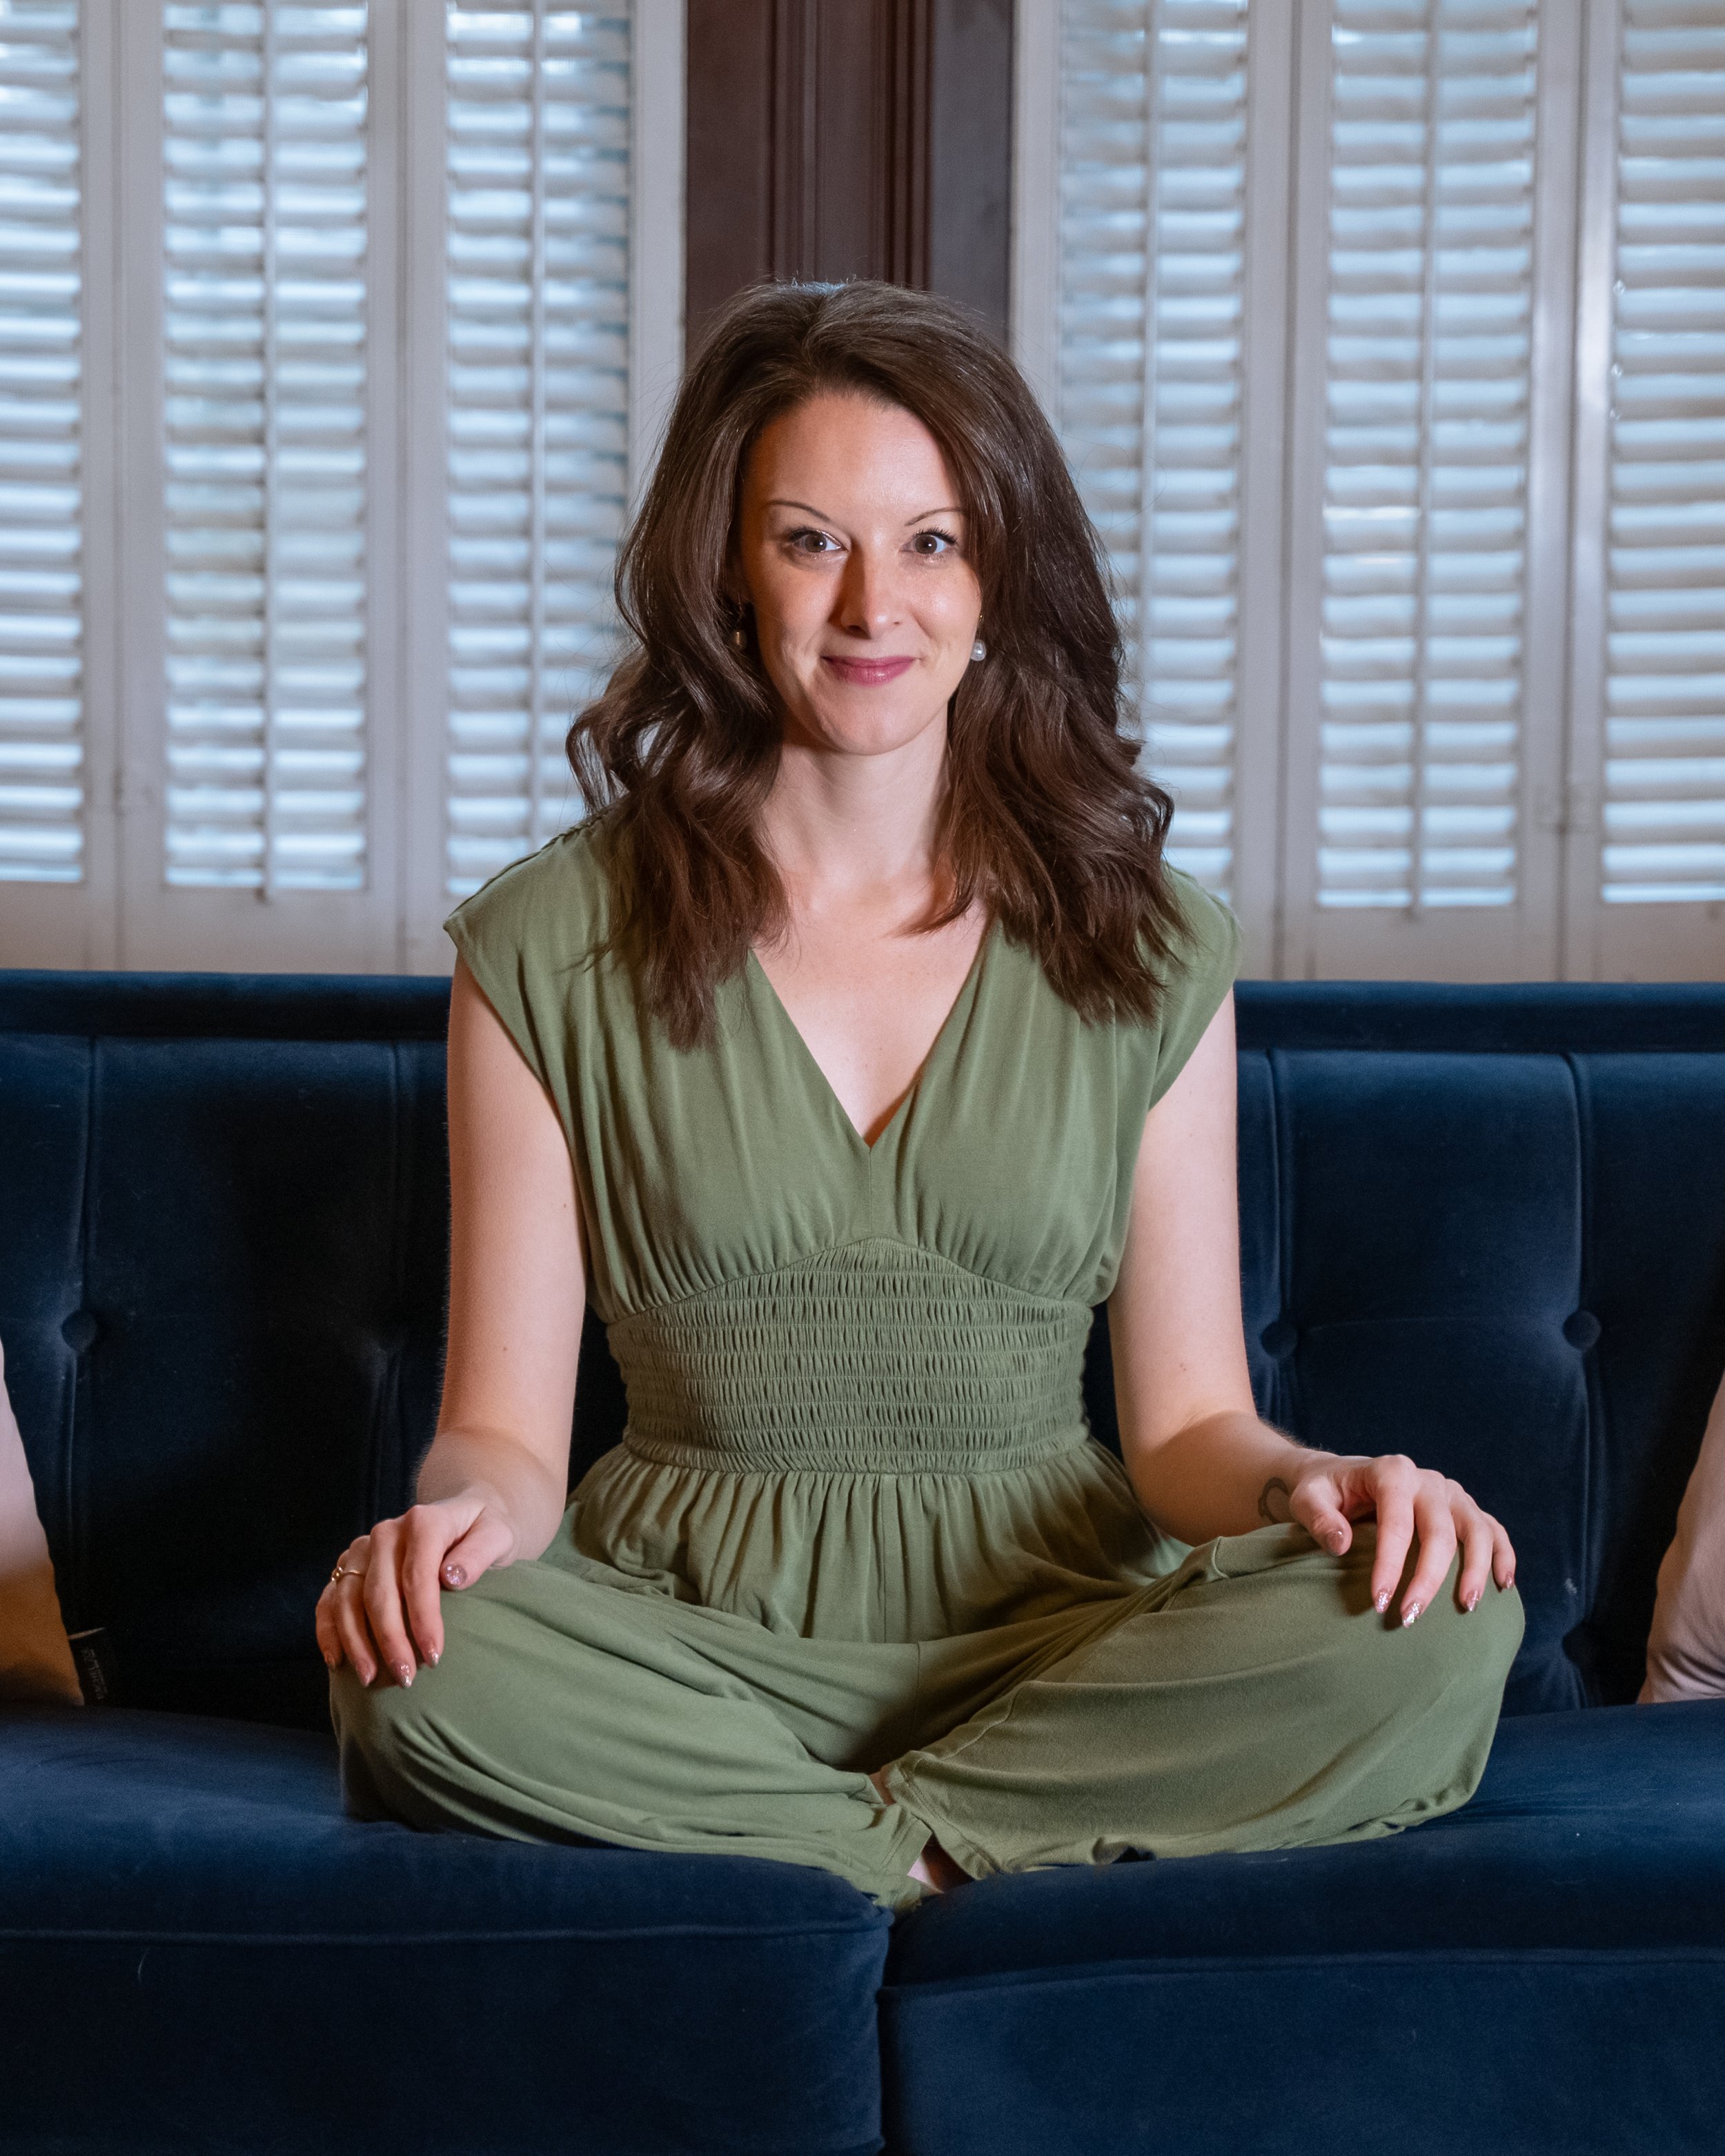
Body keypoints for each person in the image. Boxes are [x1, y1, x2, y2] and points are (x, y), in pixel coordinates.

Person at [319, 280, 1524, 1910]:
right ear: (728, 574)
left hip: (1054, 1639)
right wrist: (446, 1532)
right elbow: (502, 1433)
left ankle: (833, 1849)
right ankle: (952, 1861)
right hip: (684, 1643)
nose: (871, 604)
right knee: (414, 1665)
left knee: (1441, 1615)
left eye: (931, 543)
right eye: (811, 540)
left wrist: (1321, 1487)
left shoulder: (1145, 943)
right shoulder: (545, 945)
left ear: (995, 580)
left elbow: (1182, 1431)